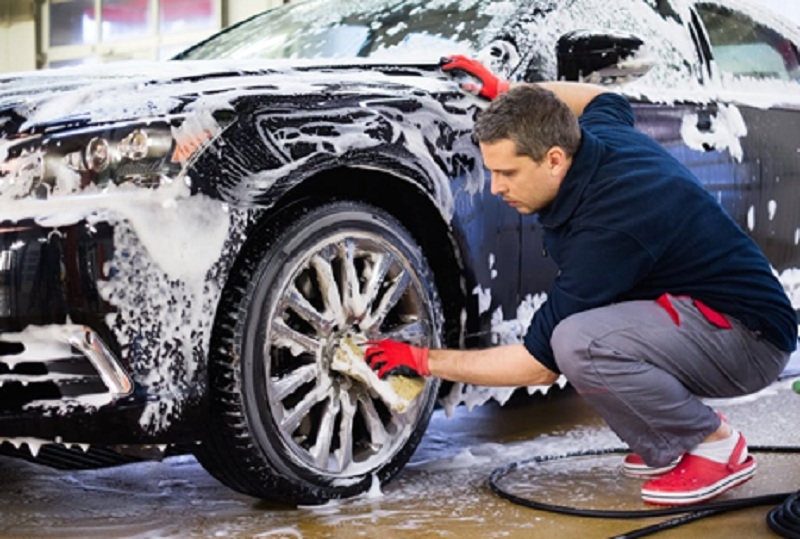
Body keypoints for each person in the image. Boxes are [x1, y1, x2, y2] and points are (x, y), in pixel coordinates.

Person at [363, 55, 798, 506]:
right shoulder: (593, 136)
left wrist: (422, 359)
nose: (495, 187)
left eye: (508, 173)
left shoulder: (609, 227)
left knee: (578, 342)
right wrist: (508, 91)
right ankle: (667, 442)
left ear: (554, 160)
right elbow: (603, 98)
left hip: (750, 341)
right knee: (583, 334)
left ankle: (715, 446)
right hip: (707, 316)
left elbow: (538, 364)